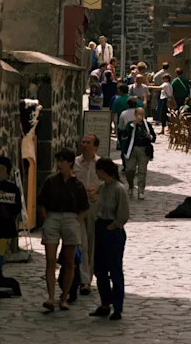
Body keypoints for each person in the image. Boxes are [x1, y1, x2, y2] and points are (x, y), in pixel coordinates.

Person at [37, 149, 90, 311]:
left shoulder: (77, 185)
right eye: (58, 161)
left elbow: (84, 207)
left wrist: (76, 221)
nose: (59, 164)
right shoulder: (51, 181)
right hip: (53, 217)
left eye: (62, 161)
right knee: (50, 260)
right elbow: (42, 202)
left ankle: (65, 297)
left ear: (70, 163)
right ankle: (51, 297)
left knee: (69, 262)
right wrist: (47, 219)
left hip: (70, 219)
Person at [91, 157, 130, 321]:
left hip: (112, 231)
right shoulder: (102, 187)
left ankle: (118, 307)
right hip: (100, 227)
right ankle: (105, 303)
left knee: (114, 269)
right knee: (99, 269)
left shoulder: (118, 189)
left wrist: (112, 226)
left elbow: (124, 214)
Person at [74, 134, 102, 296]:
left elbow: (108, 182)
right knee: (81, 243)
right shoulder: (76, 163)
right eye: (83, 142)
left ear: (95, 147)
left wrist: (97, 190)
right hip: (78, 209)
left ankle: (88, 277)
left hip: (94, 208)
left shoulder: (100, 164)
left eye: (88, 143)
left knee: (92, 244)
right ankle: (84, 281)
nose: (84, 145)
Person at [122, 107, 156, 200]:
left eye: (142, 114)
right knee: (130, 170)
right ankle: (131, 185)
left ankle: (141, 191)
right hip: (132, 150)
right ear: (135, 115)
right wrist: (133, 124)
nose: (140, 116)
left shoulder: (147, 125)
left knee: (142, 171)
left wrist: (150, 136)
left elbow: (154, 138)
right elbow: (124, 134)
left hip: (144, 150)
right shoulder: (130, 124)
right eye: (139, 114)